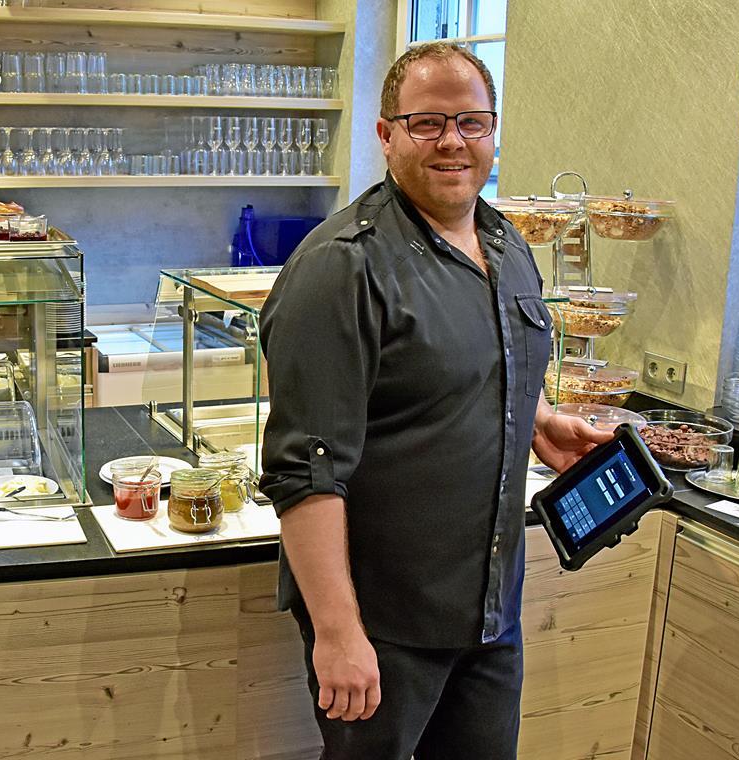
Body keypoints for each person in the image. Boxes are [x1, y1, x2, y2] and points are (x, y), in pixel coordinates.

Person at [258, 41, 613, 759]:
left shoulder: (506, 243)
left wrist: (539, 421)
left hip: (490, 610)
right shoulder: (341, 268)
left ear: (493, 133)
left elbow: (475, 365)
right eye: (428, 123)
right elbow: (305, 471)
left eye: (472, 123)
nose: (453, 141)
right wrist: (337, 631)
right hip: (384, 624)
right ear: (387, 136)